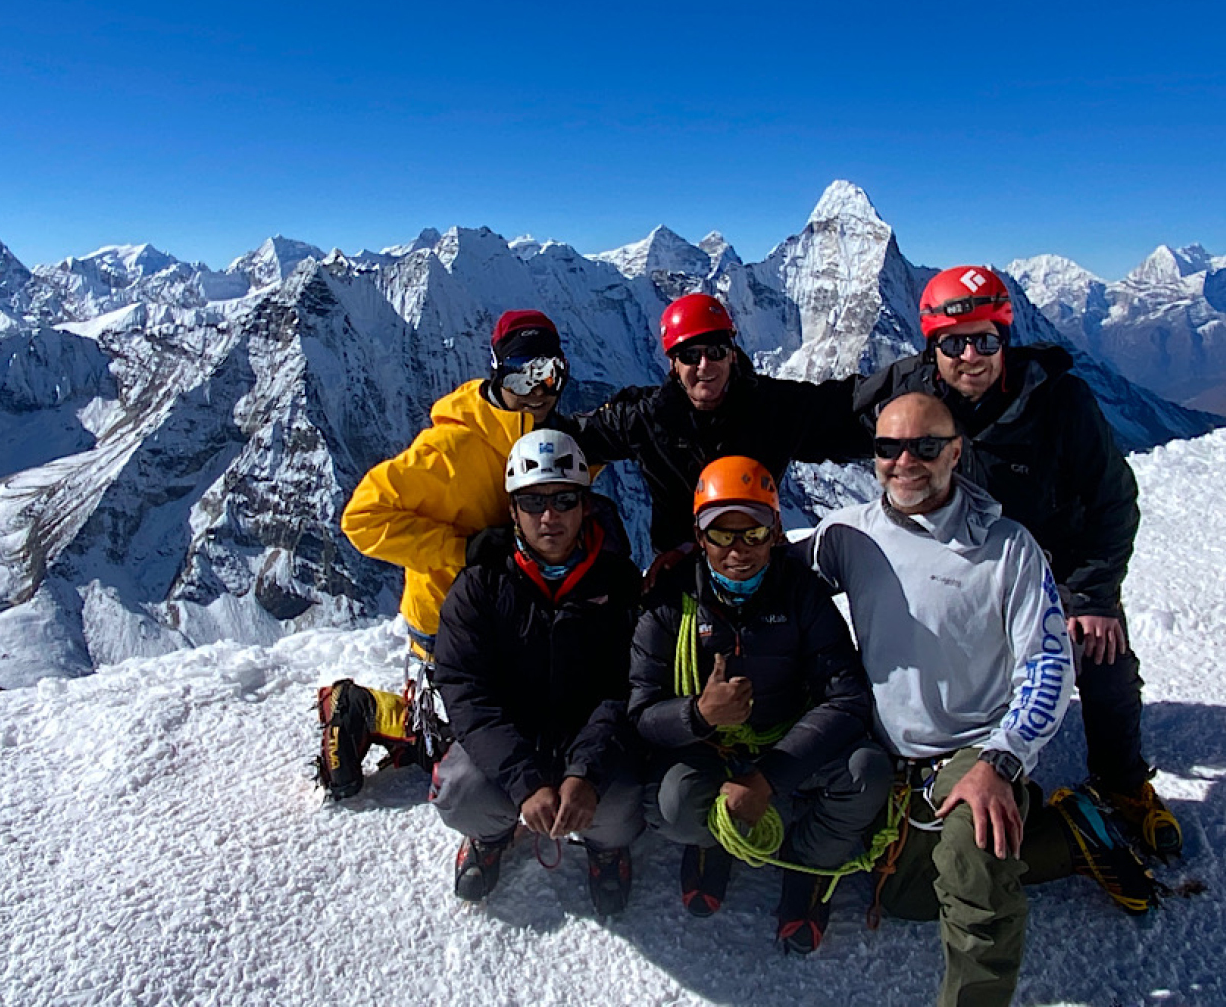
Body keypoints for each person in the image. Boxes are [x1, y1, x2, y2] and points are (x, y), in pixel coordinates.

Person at [803, 393, 1155, 1007]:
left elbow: (1049, 665)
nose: (905, 461)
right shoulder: (847, 535)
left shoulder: (1008, 547)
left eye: (926, 446)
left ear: (956, 452)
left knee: (971, 871)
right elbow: (763, 575)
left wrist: (1003, 760)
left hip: (978, 748)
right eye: (889, 448)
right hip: (893, 752)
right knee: (913, 899)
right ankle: (1071, 833)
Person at [854, 265, 1181, 860]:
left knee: (1102, 660)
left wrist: (1094, 597)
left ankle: (1124, 783)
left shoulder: (1059, 402)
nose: (971, 355)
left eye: (987, 339)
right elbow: (817, 414)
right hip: (975, 570)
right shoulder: (906, 393)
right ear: (932, 346)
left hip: (1059, 569)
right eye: (954, 342)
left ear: (1007, 337)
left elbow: (1114, 500)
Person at [629, 455, 891, 953]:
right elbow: (641, 714)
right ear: (699, 538)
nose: (738, 550)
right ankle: (716, 844)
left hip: (783, 742)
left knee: (866, 774)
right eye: (722, 534)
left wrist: (768, 778)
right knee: (673, 803)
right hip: (708, 750)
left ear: (775, 533)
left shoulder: (802, 595)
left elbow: (848, 696)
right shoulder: (669, 601)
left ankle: (809, 865)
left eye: (753, 532)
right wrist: (700, 715)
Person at [325, 311, 570, 794]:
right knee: (476, 746)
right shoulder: (449, 449)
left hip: (514, 615)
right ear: (498, 371)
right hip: (447, 623)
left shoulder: (549, 436)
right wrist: (461, 549)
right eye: (524, 374)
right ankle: (366, 709)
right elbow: (361, 519)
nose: (540, 389)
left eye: (551, 374)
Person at [431, 430, 643, 917]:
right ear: (513, 512)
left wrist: (585, 773)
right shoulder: (479, 588)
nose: (549, 516)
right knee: (459, 791)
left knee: (627, 799)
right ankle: (493, 832)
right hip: (513, 743)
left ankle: (604, 843)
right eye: (533, 502)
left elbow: (628, 687)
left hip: (587, 742)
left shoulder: (618, 584)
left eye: (564, 499)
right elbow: (466, 693)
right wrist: (524, 781)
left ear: (585, 506)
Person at [565, 293, 865, 566]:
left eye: (716, 351)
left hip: (756, 566)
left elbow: (847, 409)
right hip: (682, 575)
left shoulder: (774, 408)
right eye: (690, 356)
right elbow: (571, 437)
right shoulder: (647, 419)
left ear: (733, 354)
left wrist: (910, 387)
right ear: (673, 364)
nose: (705, 365)